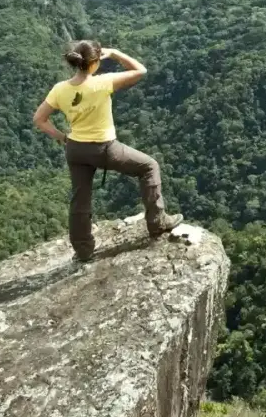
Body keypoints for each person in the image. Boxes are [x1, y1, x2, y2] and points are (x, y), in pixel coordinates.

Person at [33, 40, 182, 262]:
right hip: (105, 148)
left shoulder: (59, 89)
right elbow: (141, 70)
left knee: (80, 198)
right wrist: (115, 53)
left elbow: (39, 119)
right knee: (149, 166)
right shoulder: (103, 83)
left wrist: (62, 137)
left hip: (75, 150)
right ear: (94, 63)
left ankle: (83, 251)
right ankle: (157, 223)